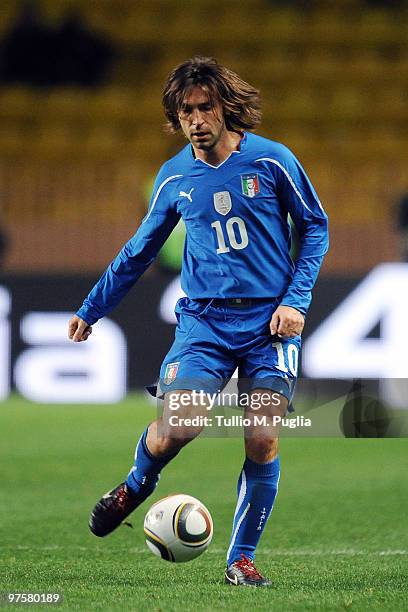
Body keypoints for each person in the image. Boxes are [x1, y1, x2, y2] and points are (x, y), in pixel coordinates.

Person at [68, 57, 329, 587]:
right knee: (180, 427)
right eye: (185, 111)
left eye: (204, 107)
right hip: (204, 326)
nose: (196, 119)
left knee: (262, 436)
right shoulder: (174, 177)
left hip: (268, 326)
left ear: (225, 108)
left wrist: (295, 302)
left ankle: (241, 559)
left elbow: (315, 228)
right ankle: (134, 486)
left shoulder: (273, 161)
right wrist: (91, 308)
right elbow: (138, 253)